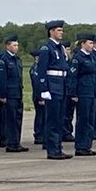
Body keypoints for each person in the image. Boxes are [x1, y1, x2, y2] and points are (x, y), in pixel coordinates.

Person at [36, 20, 72, 160]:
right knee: (53, 120)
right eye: (58, 30)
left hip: (61, 85)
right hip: (52, 86)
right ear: (51, 32)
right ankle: (52, 150)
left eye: (61, 30)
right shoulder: (47, 48)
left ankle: (58, 148)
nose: (61, 33)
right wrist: (44, 89)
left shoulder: (60, 48)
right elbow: (41, 70)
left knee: (60, 119)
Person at [0, 35, 28, 152]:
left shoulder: (17, 60)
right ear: (7, 46)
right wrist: (2, 95)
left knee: (18, 119)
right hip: (9, 94)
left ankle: (16, 142)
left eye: (17, 45)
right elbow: (2, 80)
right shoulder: (4, 61)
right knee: (11, 120)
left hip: (17, 93)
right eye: (14, 45)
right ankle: (11, 143)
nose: (16, 47)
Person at [69, 34, 96, 156]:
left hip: (91, 91)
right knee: (83, 120)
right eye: (90, 43)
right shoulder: (78, 58)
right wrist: (73, 93)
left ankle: (87, 145)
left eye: (92, 43)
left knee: (90, 119)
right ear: (83, 44)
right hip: (82, 92)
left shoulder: (92, 56)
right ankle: (81, 146)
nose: (92, 45)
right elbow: (73, 76)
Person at [29, 47, 45, 145]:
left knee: (43, 116)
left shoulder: (39, 67)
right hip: (38, 96)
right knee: (40, 116)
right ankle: (38, 135)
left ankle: (41, 134)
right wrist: (40, 97)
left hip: (40, 95)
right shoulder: (36, 68)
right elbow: (37, 84)